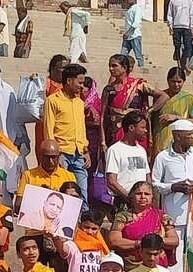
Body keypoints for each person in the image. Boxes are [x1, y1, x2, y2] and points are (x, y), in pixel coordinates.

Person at [152, 119, 193, 272]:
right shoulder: (163, 157)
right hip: (173, 220)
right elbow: (155, 184)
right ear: (177, 136)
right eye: (189, 135)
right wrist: (173, 187)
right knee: (176, 261)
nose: (192, 138)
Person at [42, 63, 91, 201]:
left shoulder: (79, 102)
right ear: (69, 81)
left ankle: (82, 218)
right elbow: (48, 129)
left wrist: (85, 150)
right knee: (61, 188)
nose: (82, 86)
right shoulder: (52, 100)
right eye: (79, 82)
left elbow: (82, 128)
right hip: (61, 152)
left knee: (82, 190)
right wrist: (54, 155)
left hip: (78, 153)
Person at [100, 54, 166, 151]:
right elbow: (103, 117)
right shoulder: (108, 89)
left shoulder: (138, 85)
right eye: (109, 66)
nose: (110, 69)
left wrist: (149, 111)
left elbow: (164, 96)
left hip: (135, 132)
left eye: (114, 66)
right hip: (115, 132)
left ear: (124, 68)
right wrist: (103, 140)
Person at [109, 181, 178, 268]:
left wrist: (156, 241)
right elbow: (114, 241)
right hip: (130, 267)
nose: (143, 196)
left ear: (152, 197)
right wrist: (140, 243)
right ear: (131, 196)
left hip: (156, 266)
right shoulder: (122, 217)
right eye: (138, 193)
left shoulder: (161, 216)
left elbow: (174, 240)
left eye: (147, 194)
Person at [15, 139, 76, 208]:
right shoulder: (28, 175)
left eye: (53, 157)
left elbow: (74, 205)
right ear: (40, 156)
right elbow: (18, 205)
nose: (50, 161)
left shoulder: (69, 176)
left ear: (59, 156)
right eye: (47, 157)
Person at [153, 67, 193, 155]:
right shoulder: (160, 97)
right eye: (173, 81)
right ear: (168, 81)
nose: (176, 85)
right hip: (161, 139)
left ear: (184, 81)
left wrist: (176, 118)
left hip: (180, 140)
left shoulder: (189, 99)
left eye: (179, 82)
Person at [105, 111, 150, 199]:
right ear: (131, 128)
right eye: (142, 127)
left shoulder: (141, 150)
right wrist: (130, 198)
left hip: (141, 202)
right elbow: (111, 182)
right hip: (123, 201)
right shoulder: (115, 150)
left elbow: (147, 177)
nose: (145, 131)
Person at [167, 0, 193, 70]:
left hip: (186, 26)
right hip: (176, 26)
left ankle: (186, 63)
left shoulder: (189, 1)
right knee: (177, 45)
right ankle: (179, 64)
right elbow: (170, 14)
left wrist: (192, 26)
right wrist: (170, 26)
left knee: (188, 46)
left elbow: (191, 14)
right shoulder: (172, 1)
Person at [120, 0, 144, 67]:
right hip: (127, 37)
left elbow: (136, 23)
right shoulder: (129, 9)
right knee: (122, 55)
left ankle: (141, 68)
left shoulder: (137, 8)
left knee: (138, 55)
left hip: (135, 36)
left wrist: (128, 33)